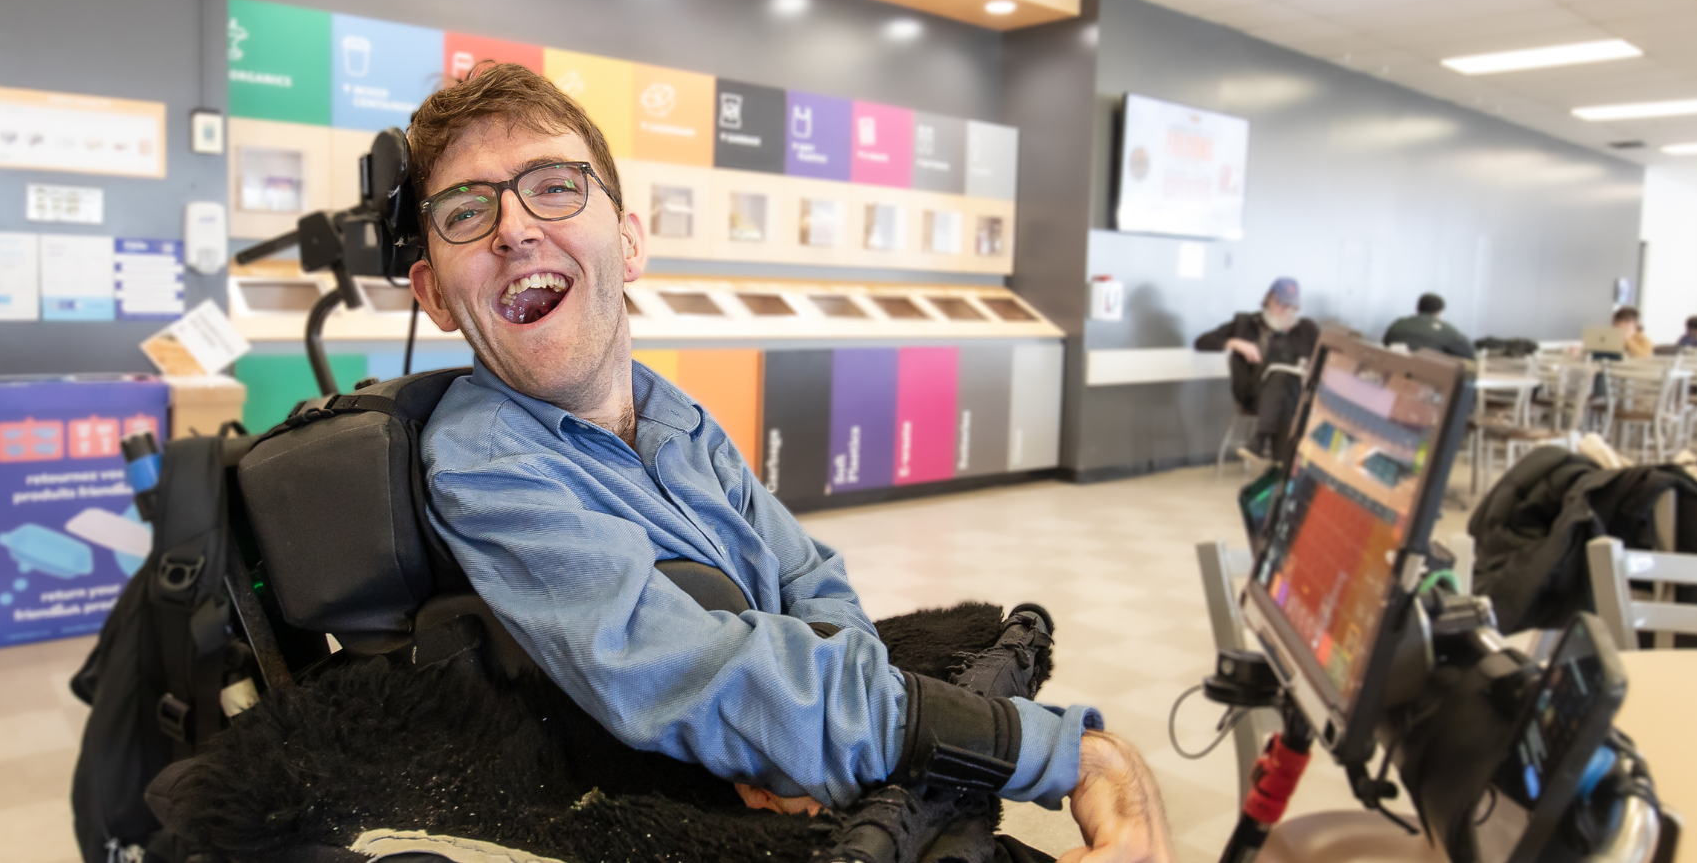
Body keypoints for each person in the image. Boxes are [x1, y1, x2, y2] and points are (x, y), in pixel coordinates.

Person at [399, 64, 1170, 858]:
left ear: (628, 244)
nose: (514, 228)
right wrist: (1052, 752)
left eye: (556, 186)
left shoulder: (674, 416)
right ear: (433, 294)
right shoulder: (483, 464)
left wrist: (809, 749)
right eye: (465, 210)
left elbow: (810, 578)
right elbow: (682, 669)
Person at [1196, 277, 1322, 464]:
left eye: (1291, 306)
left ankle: (1262, 440)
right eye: (1281, 304)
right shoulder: (1246, 324)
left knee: (1285, 386)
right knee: (1281, 379)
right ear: (1269, 299)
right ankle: (1282, 464)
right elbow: (1201, 342)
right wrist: (1235, 342)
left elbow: (1324, 360)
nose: (1285, 310)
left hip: (1295, 396)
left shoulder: (1306, 329)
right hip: (1255, 395)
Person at [1382, 293, 1476, 359]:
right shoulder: (1446, 330)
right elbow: (1469, 354)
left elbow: (1386, 343)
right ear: (1439, 311)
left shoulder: (1399, 323)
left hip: (1393, 373)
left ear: (1417, 307)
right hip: (1427, 376)